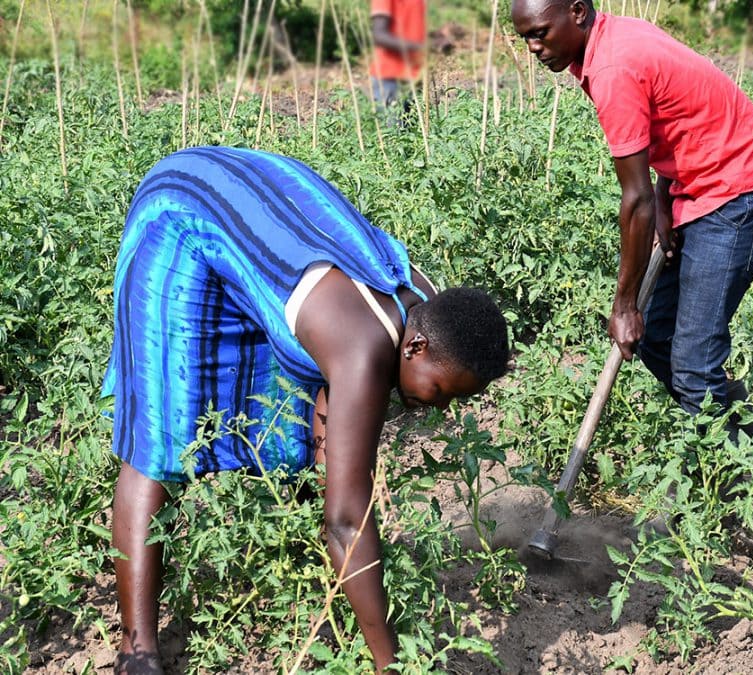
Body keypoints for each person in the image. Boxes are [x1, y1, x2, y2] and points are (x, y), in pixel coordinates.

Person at [103, 146, 510, 674]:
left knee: (305, 413)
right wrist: (392, 665)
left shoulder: (426, 310)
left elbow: (340, 437)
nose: (441, 408)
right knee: (159, 439)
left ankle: (309, 565)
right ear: (415, 349)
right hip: (184, 210)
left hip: (257, 201)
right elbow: (347, 521)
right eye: (441, 391)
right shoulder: (364, 347)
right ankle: (137, 651)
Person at [511, 0, 753, 421]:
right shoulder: (615, 36)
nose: (533, 47)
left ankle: (730, 477)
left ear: (578, 12)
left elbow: (634, 200)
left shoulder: (612, 69)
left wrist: (624, 307)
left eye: (540, 33)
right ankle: (731, 421)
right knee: (658, 337)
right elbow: (675, 119)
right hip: (697, 188)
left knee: (694, 363)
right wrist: (665, 197)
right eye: (525, 37)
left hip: (740, 194)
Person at [369, 0, 428, 122]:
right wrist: (420, 48)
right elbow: (379, 35)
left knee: (414, 135)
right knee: (394, 135)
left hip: (414, 75)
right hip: (389, 78)